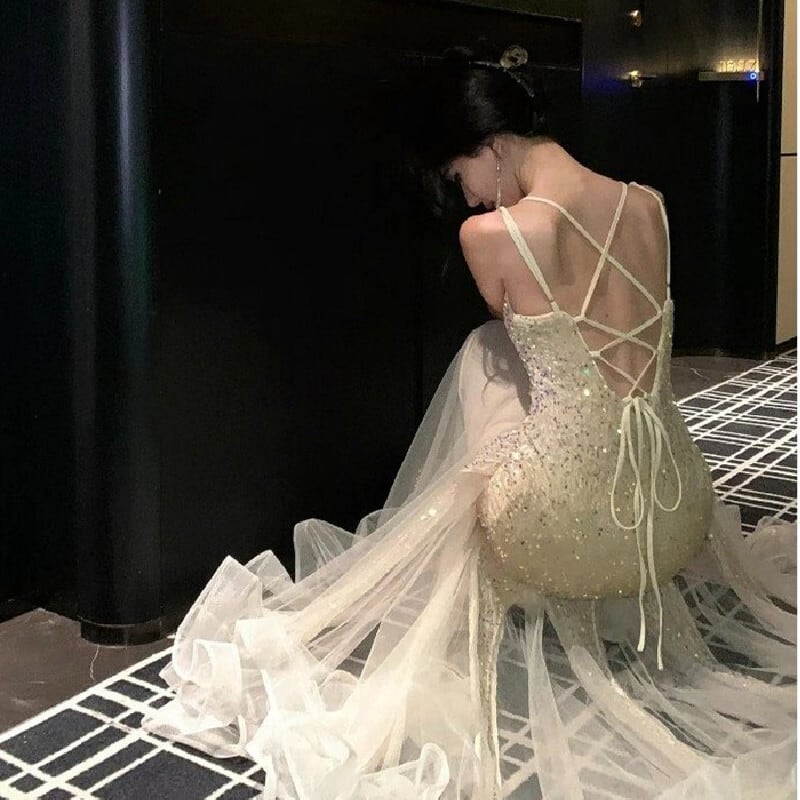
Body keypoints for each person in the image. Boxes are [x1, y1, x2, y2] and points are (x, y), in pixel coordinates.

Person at [144, 45, 797, 799]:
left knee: (486, 359)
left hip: (562, 526)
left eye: (460, 179)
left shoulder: (496, 236)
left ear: (491, 147)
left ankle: (492, 583)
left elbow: (519, 331)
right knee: (524, 367)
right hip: (674, 509)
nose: (470, 202)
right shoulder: (648, 205)